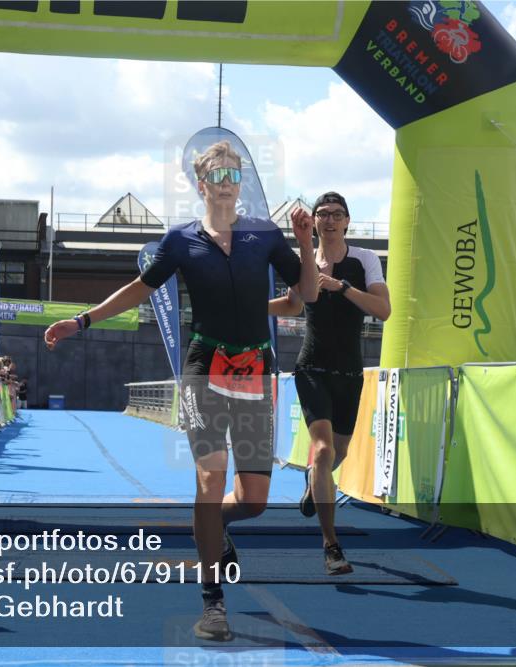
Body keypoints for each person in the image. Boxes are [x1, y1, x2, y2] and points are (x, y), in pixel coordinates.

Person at [44, 140, 318, 641]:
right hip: (204, 368)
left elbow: (308, 297)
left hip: (256, 371)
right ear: (201, 184)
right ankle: (213, 602)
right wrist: (81, 320)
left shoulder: (265, 234)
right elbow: (138, 290)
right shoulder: (180, 240)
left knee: (255, 500)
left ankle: (217, 528)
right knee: (210, 481)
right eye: (218, 174)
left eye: (234, 173)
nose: (227, 182)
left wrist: (304, 243)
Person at [269, 191, 390, 575]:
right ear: (315, 221)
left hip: (349, 371)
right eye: (323, 214)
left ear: (348, 221)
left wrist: (343, 287)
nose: (330, 220)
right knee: (321, 451)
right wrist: (250, 307)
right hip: (312, 368)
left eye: (337, 214)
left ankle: (313, 480)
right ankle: (331, 546)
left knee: (338, 453)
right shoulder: (305, 260)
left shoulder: (365, 260)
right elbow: (293, 305)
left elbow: (383, 310)